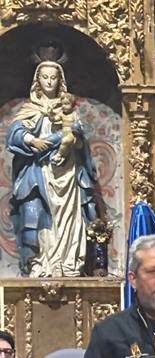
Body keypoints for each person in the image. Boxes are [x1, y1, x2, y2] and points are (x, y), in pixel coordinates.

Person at [6, 60, 100, 277]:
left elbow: (78, 140)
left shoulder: (67, 106)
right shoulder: (30, 109)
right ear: (37, 81)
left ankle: (68, 262)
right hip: (39, 172)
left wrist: (71, 141)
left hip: (67, 172)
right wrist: (31, 139)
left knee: (68, 215)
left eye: (53, 77)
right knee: (37, 215)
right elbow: (14, 134)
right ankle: (40, 263)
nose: (49, 82)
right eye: (44, 77)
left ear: (60, 80)